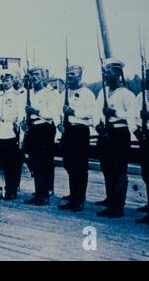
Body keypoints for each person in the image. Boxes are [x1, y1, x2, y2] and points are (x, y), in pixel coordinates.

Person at [95, 59, 137, 218]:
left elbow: (132, 116)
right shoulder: (102, 92)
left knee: (119, 170)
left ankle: (118, 205)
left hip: (119, 134)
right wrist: (98, 125)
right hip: (105, 133)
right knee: (107, 169)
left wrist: (115, 114)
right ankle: (110, 200)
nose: (106, 75)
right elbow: (96, 111)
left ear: (119, 74)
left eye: (109, 72)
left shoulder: (126, 94)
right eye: (105, 72)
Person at [58, 65, 96, 212]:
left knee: (79, 166)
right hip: (68, 132)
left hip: (80, 132)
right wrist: (59, 124)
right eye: (68, 74)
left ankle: (79, 199)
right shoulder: (65, 93)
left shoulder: (87, 93)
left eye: (73, 74)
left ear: (80, 76)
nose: (70, 77)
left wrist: (74, 111)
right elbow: (57, 109)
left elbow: (92, 113)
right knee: (69, 165)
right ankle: (73, 196)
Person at [23, 66, 59, 206]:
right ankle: (39, 192)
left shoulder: (50, 93)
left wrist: (35, 111)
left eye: (37, 74)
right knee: (33, 161)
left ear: (43, 76)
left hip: (45, 128)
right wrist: (24, 122)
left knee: (43, 162)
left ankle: (43, 195)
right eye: (32, 75)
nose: (34, 77)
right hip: (33, 128)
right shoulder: (29, 92)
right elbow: (24, 110)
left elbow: (52, 114)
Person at [0, 70, 25, 200]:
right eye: (3, 80)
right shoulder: (1, 96)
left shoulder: (17, 95)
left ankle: (13, 189)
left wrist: (19, 131)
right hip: (2, 130)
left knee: (13, 162)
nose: (5, 82)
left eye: (8, 80)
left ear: (13, 81)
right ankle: (8, 186)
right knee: (4, 162)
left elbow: (20, 114)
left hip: (12, 130)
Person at [135, 60, 149, 225]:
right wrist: (137, 130)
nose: (148, 75)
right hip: (146, 136)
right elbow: (135, 115)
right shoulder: (142, 94)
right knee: (148, 172)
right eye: (147, 72)